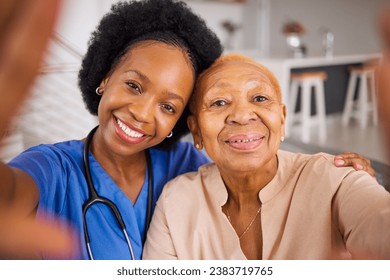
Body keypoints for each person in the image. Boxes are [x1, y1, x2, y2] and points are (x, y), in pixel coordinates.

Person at [0, 0, 376, 260]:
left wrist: (335, 174)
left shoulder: (186, 161)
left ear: (184, 123)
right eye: (133, 85)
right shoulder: (49, 169)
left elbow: (260, 168)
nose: (142, 114)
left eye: (168, 106)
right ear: (104, 77)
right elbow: (9, 194)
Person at [142, 54, 390, 260]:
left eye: (259, 98)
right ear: (196, 130)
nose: (241, 115)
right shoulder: (175, 203)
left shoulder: (335, 180)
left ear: (281, 120)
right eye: (218, 102)